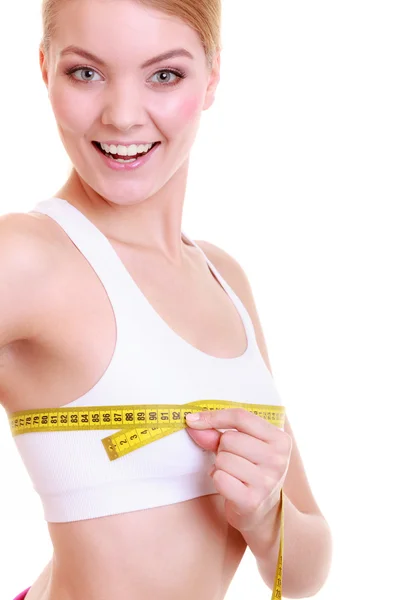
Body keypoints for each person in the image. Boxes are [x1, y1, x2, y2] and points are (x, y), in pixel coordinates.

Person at [0, 1, 333, 599]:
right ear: (44, 68)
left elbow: (304, 571)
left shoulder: (224, 277)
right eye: (85, 72)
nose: (123, 116)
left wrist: (264, 517)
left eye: (164, 74)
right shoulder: (25, 256)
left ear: (211, 78)